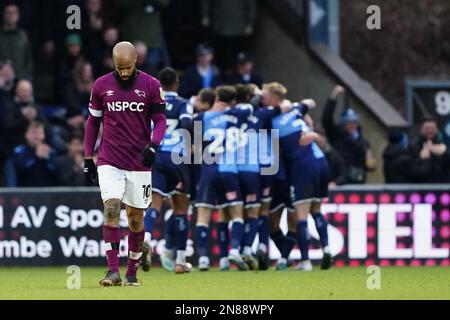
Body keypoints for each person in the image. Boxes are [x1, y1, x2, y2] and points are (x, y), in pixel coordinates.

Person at [83, 41, 166, 286]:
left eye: (128, 67)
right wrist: (89, 157)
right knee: (110, 209)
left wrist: (154, 145)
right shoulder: (101, 85)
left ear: (136, 62)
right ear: (114, 64)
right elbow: (92, 122)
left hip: (139, 161)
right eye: (120, 68)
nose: (124, 72)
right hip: (110, 159)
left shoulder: (151, 85)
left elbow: (160, 121)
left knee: (135, 219)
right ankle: (112, 271)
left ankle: (131, 273)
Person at [141, 67, 193, 274]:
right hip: (176, 158)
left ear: (159, 83)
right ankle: (180, 262)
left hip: (155, 155)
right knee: (180, 210)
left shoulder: (150, 103)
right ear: (177, 83)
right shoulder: (183, 103)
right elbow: (188, 123)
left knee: (154, 206)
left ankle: (145, 240)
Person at [194, 86, 251, 271]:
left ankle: (203, 258)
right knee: (235, 214)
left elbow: (194, 148)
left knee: (203, 216)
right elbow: (252, 106)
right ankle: (233, 251)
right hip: (230, 170)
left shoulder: (202, 117)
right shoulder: (238, 114)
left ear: (217, 97)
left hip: (208, 170)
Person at [271, 101, 333, 271]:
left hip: (303, 167)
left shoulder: (274, 122)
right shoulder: (296, 112)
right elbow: (309, 103)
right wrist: (312, 131)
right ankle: (327, 248)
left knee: (301, 216)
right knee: (317, 210)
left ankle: (305, 261)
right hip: (321, 162)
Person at [321, 85, 376, 184]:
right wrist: (334, 96)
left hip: (358, 185)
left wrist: (371, 163)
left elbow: (368, 164)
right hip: (339, 183)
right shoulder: (337, 136)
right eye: (348, 123)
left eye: (354, 122)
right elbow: (326, 119)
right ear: (343, 124)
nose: (352, 125)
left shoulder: (363, 142)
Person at [12, 121, 58, 187]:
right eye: (33, 132)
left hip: (48, 192)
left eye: (39, 133)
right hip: (25, 191)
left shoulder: (50, 151)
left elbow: (56, 173)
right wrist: (36, 157)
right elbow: (21, 170)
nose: (36, 136)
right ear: (26, 135)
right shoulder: (20, 150)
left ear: (43, 135)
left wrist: (46, 159)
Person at [408, 117, 450, 183]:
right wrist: (421, 158)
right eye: (426, 128)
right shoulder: (414, 145)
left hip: (442, 185)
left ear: (436, 129)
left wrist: (444, 152)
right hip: (421, 186)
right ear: (421, 130)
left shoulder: (444, 142)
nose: (429, 131)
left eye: (432, 128)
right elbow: (409, 166)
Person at [0, 4, 33, 80]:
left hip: (20, 76)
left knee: (25, 86)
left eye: (14, 13)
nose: (11, 15)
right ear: (4, 15)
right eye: (8, 12)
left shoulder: (23, 35)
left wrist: (25, 75)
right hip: (1, 75)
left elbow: (29, 60)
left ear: (18, 16)